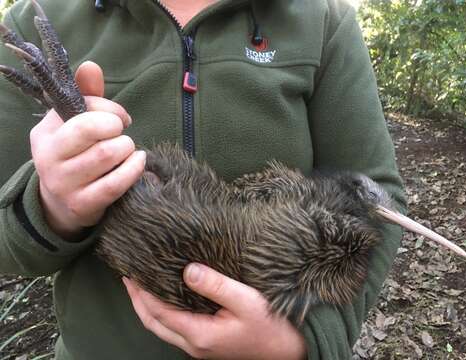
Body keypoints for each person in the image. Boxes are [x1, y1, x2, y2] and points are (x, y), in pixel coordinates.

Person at [0, 0, 406, 359]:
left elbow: (379, 197)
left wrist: (306, 340)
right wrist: (51, 207)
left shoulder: (321, 20)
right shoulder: (43, 13)